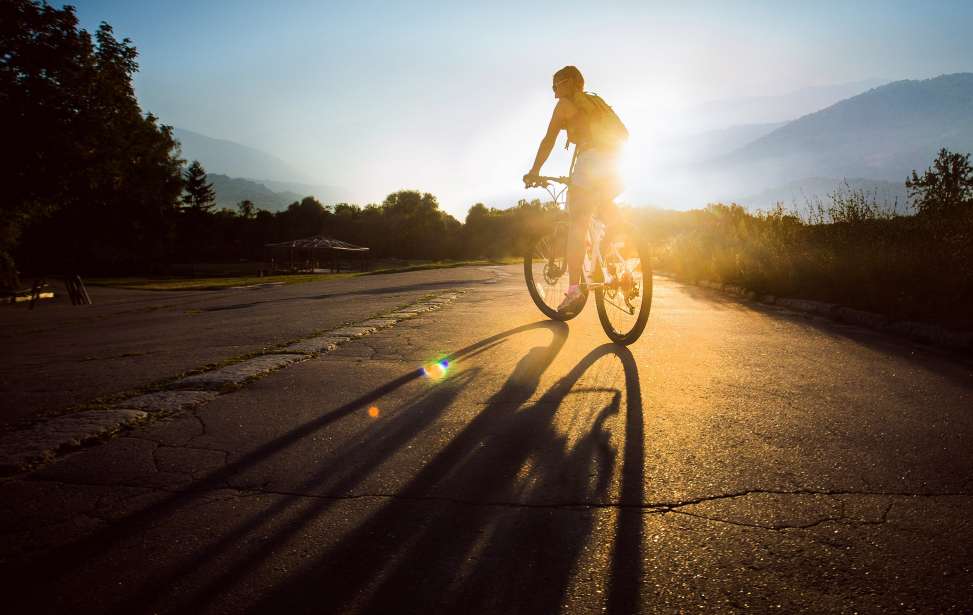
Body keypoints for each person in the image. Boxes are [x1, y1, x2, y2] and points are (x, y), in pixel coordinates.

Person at [523, 65, 627, 315]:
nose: (554, 92)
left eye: (555, 85)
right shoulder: (596, 102)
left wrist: (534, 171)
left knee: (577, 225)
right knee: (601, 212)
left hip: (592, 161)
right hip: (618, 162)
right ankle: (615, 259)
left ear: (569, 83)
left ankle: (573, 291)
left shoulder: (565, 106)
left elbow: (548, 140)